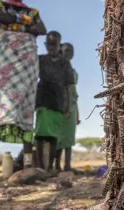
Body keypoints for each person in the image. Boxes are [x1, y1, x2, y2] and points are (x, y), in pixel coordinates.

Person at [0, 0, 47, 182]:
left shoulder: (34, 10)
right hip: (4, 61)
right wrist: (26, 24)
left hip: (26, 64)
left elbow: (42, 29)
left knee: (26, 107)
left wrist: (14, 21)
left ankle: (27, 167)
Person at [35, 31, 75, 175]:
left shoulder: (65, 63)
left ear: (59, 45)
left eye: (55, 44)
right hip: (42, 101)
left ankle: (50, 167)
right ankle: (40, 167)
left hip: (58, 102)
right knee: (40, 135)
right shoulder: (40, 60)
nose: (51, 47)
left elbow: (68, 87)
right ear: (45, 44)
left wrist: (68, 107)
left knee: (53, 137)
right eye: (49, 44)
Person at [54, 43, 80, 171]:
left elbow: (75, 94)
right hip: (61, 107)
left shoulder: (74, 72)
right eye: (66, 50)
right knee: (58, 138)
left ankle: (67, 165)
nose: (69, 52)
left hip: (72, 107)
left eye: (71, 50)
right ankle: (56, 165)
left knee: (69, 138)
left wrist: (76, 113)